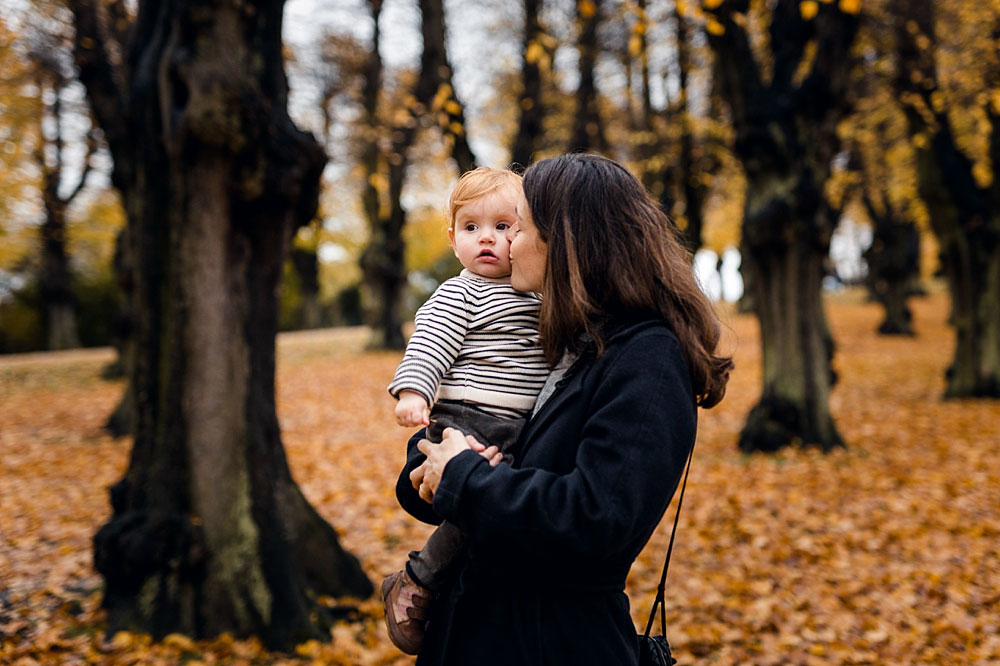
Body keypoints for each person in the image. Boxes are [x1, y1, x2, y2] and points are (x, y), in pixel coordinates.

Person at [391, 153, 733, 665]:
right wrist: (431, 466)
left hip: (551, 644)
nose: (508, 243)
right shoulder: (569, 342)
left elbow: (598, 517)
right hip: (479, 631)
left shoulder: (648, 360)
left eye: (520, 228)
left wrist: (462, 477)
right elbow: (505, 458)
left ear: (568, 241)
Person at [382, 166, 550, 654]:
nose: (488, 240)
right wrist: (414, 393)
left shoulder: (537, 293)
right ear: (452, 238)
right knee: (475, 498)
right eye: (472, 228)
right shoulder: (462, 291)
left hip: (518, 429)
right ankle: (418, 579)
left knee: (494, 504)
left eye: (504, 226)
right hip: (468, 419)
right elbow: (430, 343)